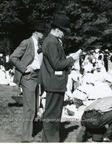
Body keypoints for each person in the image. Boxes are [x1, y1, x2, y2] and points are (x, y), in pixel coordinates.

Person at [39, 13, 81, 142]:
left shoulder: (53, 41)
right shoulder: (51, 42)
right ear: (58, 30)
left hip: (55, 83)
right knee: (53, 114)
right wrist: (72, 58)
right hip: (54, 83)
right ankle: (51, 140)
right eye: (64, 31)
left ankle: (49, 139)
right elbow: (56, 65)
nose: (65, 34)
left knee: (53, 114)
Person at [9, 21, 47, 142]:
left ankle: (31, 132)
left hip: (36, 77)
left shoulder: (39, 44)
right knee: (29, 108)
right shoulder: (27, 42)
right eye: (42, 32)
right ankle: (26, 137)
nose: (43, 34)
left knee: (35, 107)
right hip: (28, 77)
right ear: (36, 32)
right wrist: (24, 69)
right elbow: (13, 57)